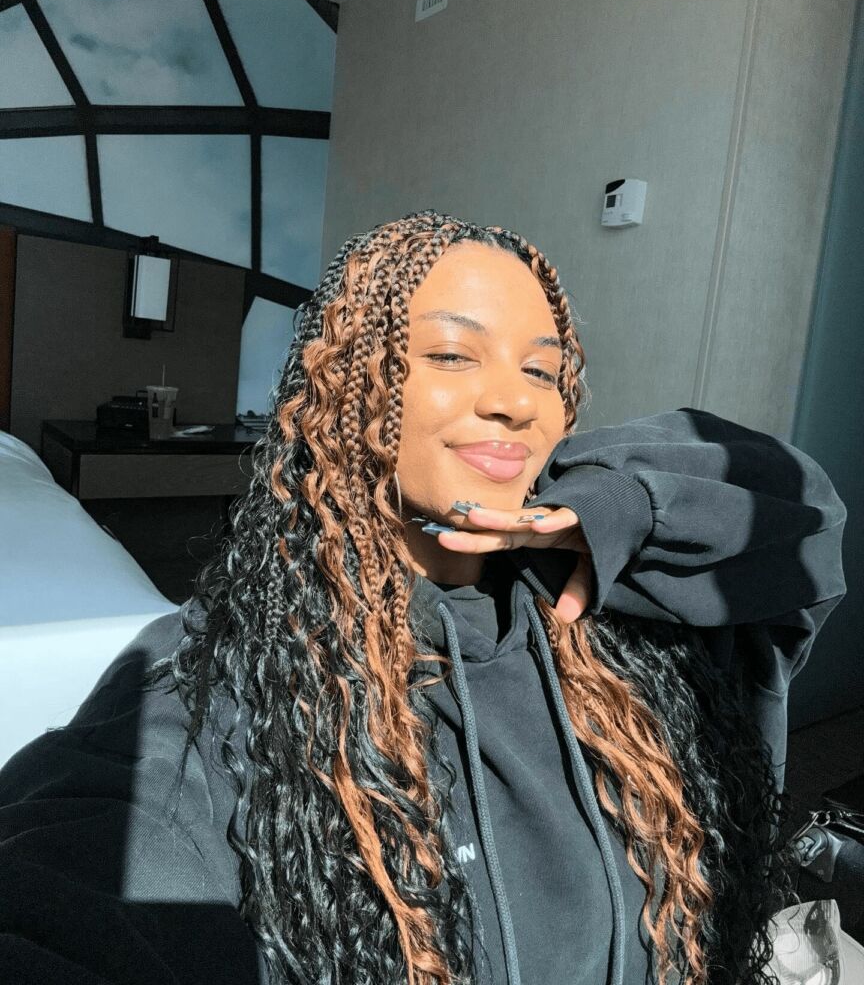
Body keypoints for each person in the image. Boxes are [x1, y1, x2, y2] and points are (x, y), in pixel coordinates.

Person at [0, 210, 847, 985]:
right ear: (346, 384)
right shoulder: (230, 681)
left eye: (542, 371)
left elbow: (802, 514)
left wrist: (616, 503)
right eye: (450, 355)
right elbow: (79, 873)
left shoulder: (620, 613)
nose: (514, 402)